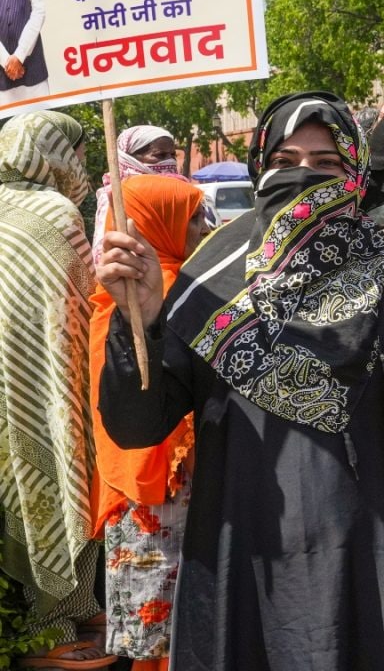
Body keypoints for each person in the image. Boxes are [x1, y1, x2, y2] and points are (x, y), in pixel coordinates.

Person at [94, 91, 384, 670]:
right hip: (246, 544)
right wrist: (144, 321)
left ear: (354, 173)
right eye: (284, 162)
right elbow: (136, 426)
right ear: (260, 168)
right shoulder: (206, 280)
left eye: (325, 164)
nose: (303, 175)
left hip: (375, 544)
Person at [0, 111, 115, 668]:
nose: (80, 166)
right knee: (65, 475)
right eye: (75, 153)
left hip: (8, 382)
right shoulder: (58, 211)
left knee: (22, 492)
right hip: (51, 378)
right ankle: (53, 622)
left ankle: (62, 609)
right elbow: (79, 306)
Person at [88, 175, 210, 670]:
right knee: (166, 636)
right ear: (156, 225)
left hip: (165, 491)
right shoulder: (134, 297)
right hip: (155, 490)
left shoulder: (185, 282)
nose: (204, 228)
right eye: (191, 217)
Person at [91, 125, 184, 263]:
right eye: (160, 155)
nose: (169, 161)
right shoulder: (116, 196)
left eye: (173, 155)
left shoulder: (182, 191)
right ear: (129, 158)